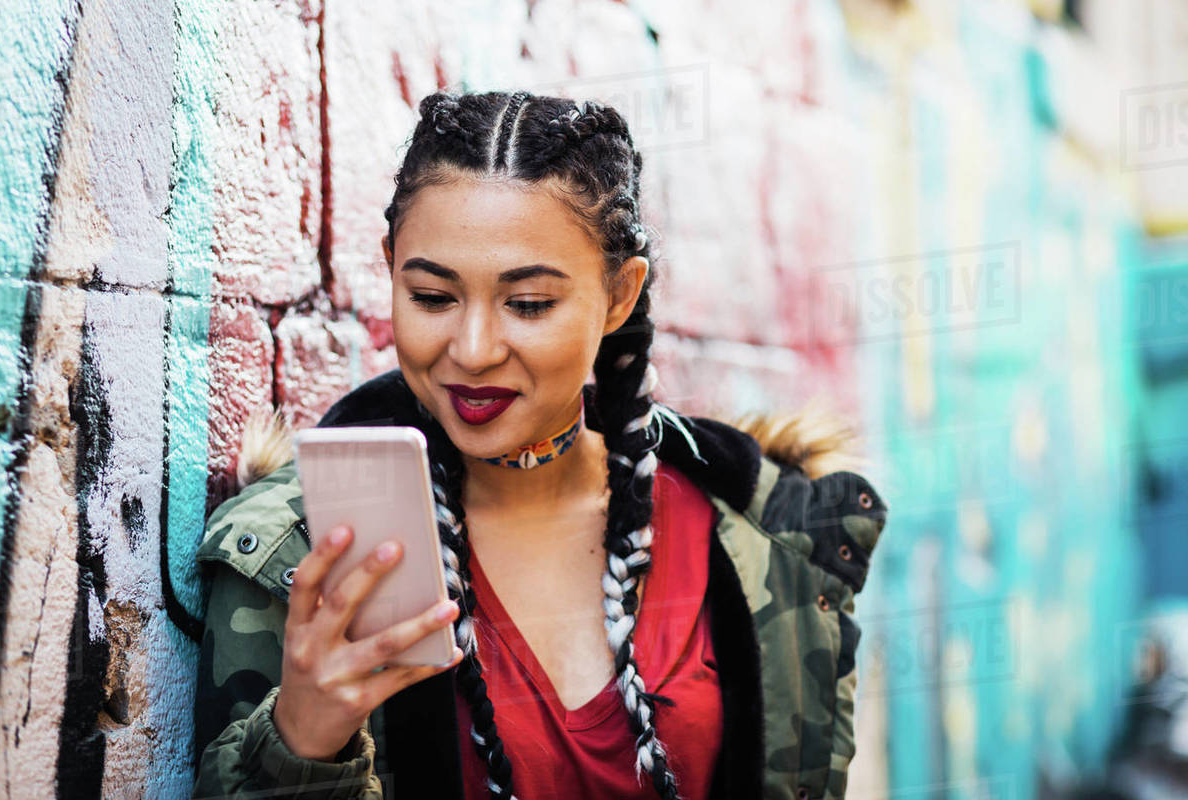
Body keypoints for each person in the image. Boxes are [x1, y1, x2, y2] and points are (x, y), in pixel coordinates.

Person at [191, 89, 889, 800]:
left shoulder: (764, 535)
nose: (472, 349)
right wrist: (301, 746)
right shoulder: (296, 552)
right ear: (391, 268)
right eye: (433, 296)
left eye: (527, 304)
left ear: (619, 295)